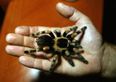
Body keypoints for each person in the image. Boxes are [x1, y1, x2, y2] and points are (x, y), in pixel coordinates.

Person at [5, 2, 116, 78]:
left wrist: (102, 56)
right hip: (46, 42)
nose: (71, 41)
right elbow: (67, 50)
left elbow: (51, 33)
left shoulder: (58, 35)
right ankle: (31, 51)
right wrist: (79, 30)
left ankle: (31, 50)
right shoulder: (63, 47)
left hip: (47, 40)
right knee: (68, 53)